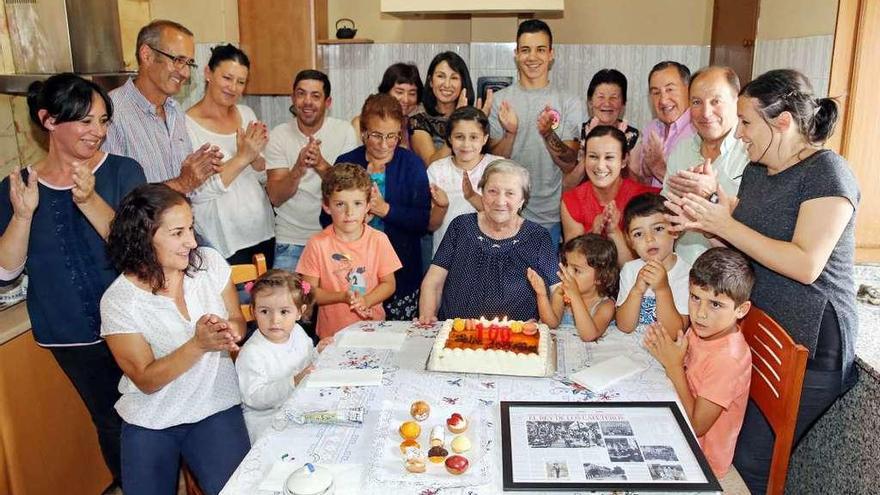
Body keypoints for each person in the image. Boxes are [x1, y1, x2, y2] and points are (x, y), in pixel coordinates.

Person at [665, 69, 860, 494]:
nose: (740, 136)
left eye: (747, 122)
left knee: (751, 461)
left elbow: (807, 263)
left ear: (783, 121)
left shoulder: (828, 173)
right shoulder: (758, 170)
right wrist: (706, 219)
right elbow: (749, 247)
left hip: (810, 345)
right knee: (728, 444)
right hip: (761, 330)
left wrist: (726, 225)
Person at [0, 73, 146, 493]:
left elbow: (137, 252)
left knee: (151, 413)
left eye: (103, 121)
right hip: (68, 333)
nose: (97, 132)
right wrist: (23, 215)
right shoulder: (19, 187)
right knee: (111, 421)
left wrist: (89, 200)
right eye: (85, 121)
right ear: (48, 120)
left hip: (132, 325)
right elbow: (6, 272)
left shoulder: (122, 172)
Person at [100, 184, 249, 494]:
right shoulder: (119, 300)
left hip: (215, 405)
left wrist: (229, 330)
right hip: (151, 418)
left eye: (191, 228)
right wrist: (198, 344)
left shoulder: (207, 264)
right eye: (178, 232)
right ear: (144, 236)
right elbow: (145, 379)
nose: (192, 242)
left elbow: (237, 319)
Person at [644, 247, 753, 478]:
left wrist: (673, 365)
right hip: (677, 422)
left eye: (715, 304)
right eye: (695, 298)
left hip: (699, 459)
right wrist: (670, 354)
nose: (700, 314)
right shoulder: (706, 330)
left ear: (741, 310)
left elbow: (696, 426)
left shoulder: (728, 360)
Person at [419, 160, 559, 322]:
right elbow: (434, 282)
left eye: (510, 193)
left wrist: (547, 325)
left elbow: (557, 288)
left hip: (517, 338)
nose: (500, 201)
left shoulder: (537, 236)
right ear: (482, 193)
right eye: (492, 191)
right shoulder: (461, 227)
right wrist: (428, 316)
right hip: (457, 337)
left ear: (522, 200)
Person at [488, 19, 585, 249]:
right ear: (516, 54)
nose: (533, 57)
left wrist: (548, 133)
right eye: (525, 50)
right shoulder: (500, 101)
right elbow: (493, 163)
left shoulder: (569, 101)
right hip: (505, 214)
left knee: (542, 284)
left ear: (551, 54)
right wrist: (510, 134)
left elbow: (570, 162)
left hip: (549, 219)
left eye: (540, 49)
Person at [334, 93, 430, 320]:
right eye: (376, 135)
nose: (384, 144)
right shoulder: (346, 163)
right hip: (352, 273)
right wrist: (352, 220)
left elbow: (422, 221)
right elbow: (326, 216)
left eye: (392, 136)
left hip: (401, 271)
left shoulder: (412, 164)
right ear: (363, 132)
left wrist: (386, 210)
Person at [103, 19, 223, 195]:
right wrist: (182, 183)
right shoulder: (112, 113)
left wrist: (199, 171)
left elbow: (188, 185)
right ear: (147, 55)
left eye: (189, 63)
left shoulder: (175, 111)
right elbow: (118, 199)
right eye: (178, 60)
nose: (185, 73)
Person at [185, 44, 275, 265]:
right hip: (222, 241)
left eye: (241, 82)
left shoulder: (246, 114)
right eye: (227, 77)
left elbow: (261, 177)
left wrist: (255, 159)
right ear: (208, 73)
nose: (233, 87)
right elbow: (195, 190)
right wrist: (242, 157)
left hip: (262, 230)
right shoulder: (186, 125)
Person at [265, 70, 357, 271]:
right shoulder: (279, 135)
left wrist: (321, 164)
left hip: (336, 236)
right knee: (284, 301)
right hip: (291, 240)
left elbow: (351, 189)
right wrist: (298, 169)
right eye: (301, 94)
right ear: (293, 98)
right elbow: (275, 197)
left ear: (328, 102)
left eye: (315, 96)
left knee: (337, 301)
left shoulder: (344, 132)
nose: (307, 101)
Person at [298, 164, 402, 338]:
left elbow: (389, 284)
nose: (349, 212)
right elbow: (310, 292)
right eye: (340, 204)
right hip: (331, 336)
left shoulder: (379, 240)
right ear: (326, 206)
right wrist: (342, 297)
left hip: (373, 332)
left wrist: (366, 300)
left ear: (368, 205)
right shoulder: (317, 244)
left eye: (357, 203)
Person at [662, 66, 748, 265]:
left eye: (716, 101)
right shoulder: (682, 150)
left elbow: (758, 223)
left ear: (737, 100)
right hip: (684, 271)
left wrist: (711, 196)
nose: (706, 113)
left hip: (733, 276)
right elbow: (666, 210)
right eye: (696, 102)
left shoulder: (751, 150)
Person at [235, 270, 332, 442]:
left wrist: (318, 353)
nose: (275, 320)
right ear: (253, 312)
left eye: (284, 312)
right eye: (265, 311)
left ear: (300, 312)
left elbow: (306, 363)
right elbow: (253, 398)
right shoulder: (252, 353)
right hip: (268, 421)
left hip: (299, 406)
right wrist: (292, 382)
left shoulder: (298, 332)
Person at [561, 125, 659, 265]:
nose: (600, 166)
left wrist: (614, 232)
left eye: (609, 157)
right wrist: (593, 234)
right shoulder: (572, 200)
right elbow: (574, 264)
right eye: (593, 157)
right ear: (584, 158)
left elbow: (643, 265)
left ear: (624, 160)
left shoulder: (644, 199)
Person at [427, 106, 502, 254]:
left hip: (489, 256)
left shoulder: (498, 167)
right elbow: (430, 226)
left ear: (485, 138)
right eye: (459, 137)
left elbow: (506, 218)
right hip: (447, 258)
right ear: (449, 138)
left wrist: (473, 197)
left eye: (473, 137)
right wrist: (441, 207)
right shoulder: (436, 170)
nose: (466, 144)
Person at [615, 193, 689, 337]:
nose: (649, 239)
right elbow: (624, 326)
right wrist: (637, 290)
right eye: (638, 234)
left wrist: (662, 289)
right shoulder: (630, 270)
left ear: (675, 230)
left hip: (663, 351)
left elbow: (675, 333)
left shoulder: (687, 274)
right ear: (630, 241)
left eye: (658, 229)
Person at [527, 234, 618, 342]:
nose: (567, 273)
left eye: (576, 270)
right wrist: (541, 294)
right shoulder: (560, 292)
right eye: (566, 265)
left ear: (600, 277)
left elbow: (589, 336)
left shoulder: (606, 305)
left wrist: (575, 296)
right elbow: (550, 324)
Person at [410, 51, 491, 166]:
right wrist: (456, 121)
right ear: (430, 81)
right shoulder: (418, 121)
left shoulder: (475, 116)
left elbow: (484, 161)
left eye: (454, 78)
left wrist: (479, 125)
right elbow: (431, 164)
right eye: (441, 76)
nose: (447, 84)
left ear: (463, 83)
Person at [630, 61, 696, 187]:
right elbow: (643, 184)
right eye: (656, 93)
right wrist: (646, 171)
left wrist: (657, 167)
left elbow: (693, 192)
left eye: (670, 89)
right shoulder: (651, 129)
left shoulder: (698, 130)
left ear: (689, 90)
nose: (663, 100)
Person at [352, 63, 423, 149]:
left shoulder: (417, 124)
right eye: (399, 92)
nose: (405, 99)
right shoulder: (360, 123)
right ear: (386, 92)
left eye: (412, 93)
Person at [581, 69, 640, 151]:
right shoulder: (578, 132)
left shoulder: (633, 136)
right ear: (590, 102)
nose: (607, 103)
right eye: (601, 97)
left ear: (623, 103)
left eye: (614, 97)